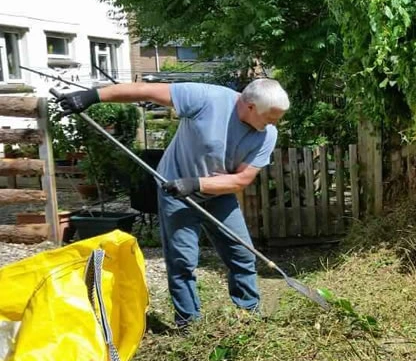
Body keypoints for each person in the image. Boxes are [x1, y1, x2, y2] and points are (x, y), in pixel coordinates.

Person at [53, 79, 289, 328]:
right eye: (270, 117)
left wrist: (197, 184)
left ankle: (249, 316)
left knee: (242, 254)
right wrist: (93, 96)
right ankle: (189, 324)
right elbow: (145, 90)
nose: (274, 124)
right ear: (249, 106)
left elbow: (241, 180)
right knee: (182, 261)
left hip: (218, 194)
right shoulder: (206, 97)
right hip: (175, 192)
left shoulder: (267, 135)